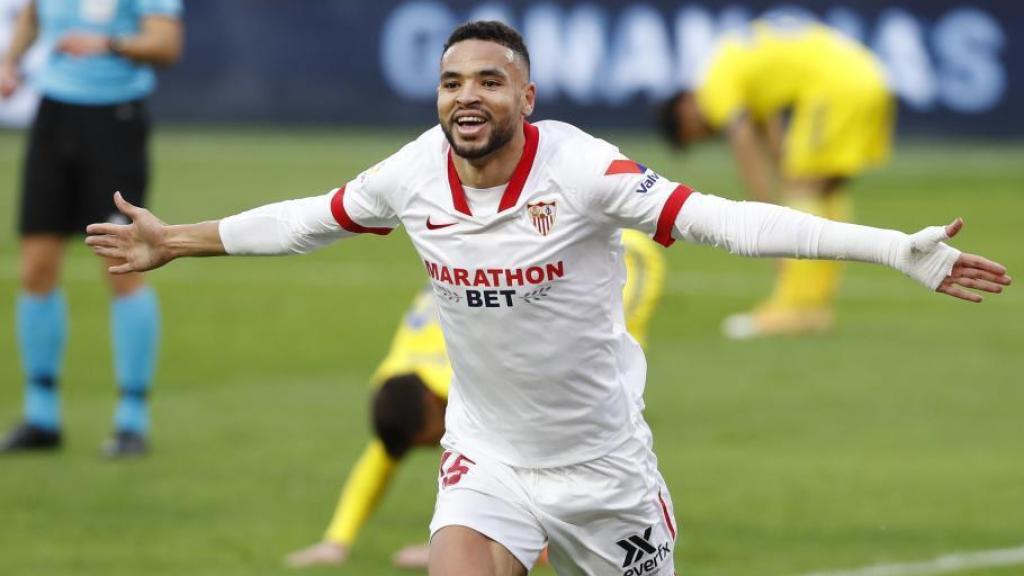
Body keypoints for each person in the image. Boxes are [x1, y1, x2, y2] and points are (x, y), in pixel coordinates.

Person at [84, 21, 1009, 576]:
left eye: (488, 80)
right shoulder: (413, 173)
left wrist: (894, 248)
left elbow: (729, 220)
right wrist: (177, 238)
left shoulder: (582, 169)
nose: (466, 97)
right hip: (487, 458)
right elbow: (304, 220)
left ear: (525, 92)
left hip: (606, 473)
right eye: (451, 83)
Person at [285, 229, 666, 569]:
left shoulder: (473, 382)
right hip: (546, 272)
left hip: (623, 253)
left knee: (605, 381)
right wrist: (338, 540)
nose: (435, 445)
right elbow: (384, 454)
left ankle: (624, 521)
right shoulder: (402, 378)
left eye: (430, 438)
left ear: (436, 404)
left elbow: (541, 454)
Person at [0, 0, 183, 456]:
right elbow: (32, 13)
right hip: (53, 117)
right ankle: (41, 416)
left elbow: (166, 43)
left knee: (122, 265)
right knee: (36, 269)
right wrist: (11, 62)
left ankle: (131, 419)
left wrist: (109, 43)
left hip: (114, 122)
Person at [658, 16, 894, 339]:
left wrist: (765, 217)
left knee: (802, 188)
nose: (706, 134)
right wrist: (782, 170)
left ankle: (793, 307)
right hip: (867, 75)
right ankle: (814, 304)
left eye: (694, 133)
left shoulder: (714, 85)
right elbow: (767, 125)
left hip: (835, 87)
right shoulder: (731, 60)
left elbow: (743, 141)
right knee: (823, 191)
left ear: (685, 109)